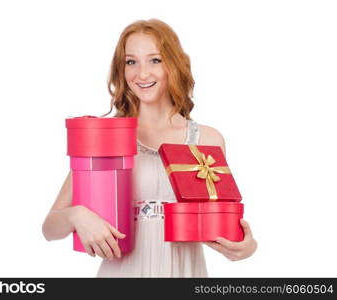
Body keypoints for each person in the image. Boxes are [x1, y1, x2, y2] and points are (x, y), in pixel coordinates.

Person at [42, 19, 257, 277]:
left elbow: (223, 222)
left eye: (155, 60)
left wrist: (247, 246)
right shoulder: (105, 136)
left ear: (173, 65)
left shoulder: (207, 139)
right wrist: (76, 215)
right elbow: (49, 228)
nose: (142, 73)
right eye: (131, 62)